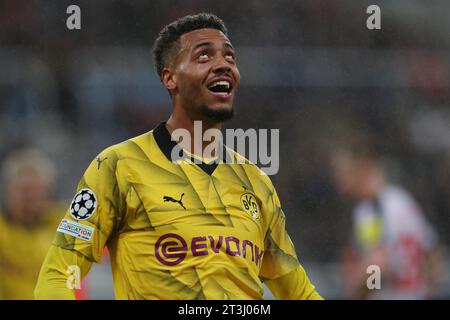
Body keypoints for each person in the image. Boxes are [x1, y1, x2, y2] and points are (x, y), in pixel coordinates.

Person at [34, 13, 322, 300]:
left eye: (230, 57)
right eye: (204, 56)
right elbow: (57, 276)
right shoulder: (117, 168)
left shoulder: (256, 182)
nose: (223, 65)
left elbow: (300, 293)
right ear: (170, 78)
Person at [332, 147, 442, 299]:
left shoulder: (371, 209)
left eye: (342, 170)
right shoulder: (401, 200)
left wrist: (361, 293)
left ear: (361, 168)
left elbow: (377, 264)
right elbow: (432, 252)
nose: (338, 178)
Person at [0, 148, 61, 299]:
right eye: (23, 191)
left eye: (36, 191)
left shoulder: (62, 225)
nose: (30, 199)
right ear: (8, 190)